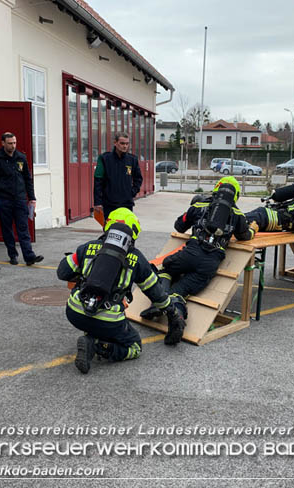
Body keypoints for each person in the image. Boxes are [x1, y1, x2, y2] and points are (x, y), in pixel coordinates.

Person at [57, 208, 183, 374]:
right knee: (135, 347)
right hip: (108, 319)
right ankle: (96, 345)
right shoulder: (137, 259)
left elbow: (62, 272)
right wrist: (172, 313)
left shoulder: (87, 247)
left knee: (95, 320)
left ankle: (92, 335)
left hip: (74, 312)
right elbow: (157, 294)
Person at [141, 176, 256, 345]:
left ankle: (159, 302)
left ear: (216, 189)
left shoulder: (200, 205)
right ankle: (178, 317)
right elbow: (245, 236)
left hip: (190, 253)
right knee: (179, 292)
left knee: (166, 268)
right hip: (211, 264)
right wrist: (253, 228)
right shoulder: (237, 214)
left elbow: (179, 225)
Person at [0, 132, 43, 266]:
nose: (13, 146)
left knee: (23, 228)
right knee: (7, 229)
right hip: (4, 199)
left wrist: (32, 198)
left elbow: (28, 179)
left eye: (14, 143)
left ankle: (29, 256)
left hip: (20, 199)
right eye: (10, 143)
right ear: (3, 143)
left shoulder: (21, 157)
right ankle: (12, 254)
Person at [93, 132, 143, 221]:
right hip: (109, 204)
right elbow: (98, 181)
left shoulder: (132, 159)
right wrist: (97, 202)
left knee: (126, 230)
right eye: (122, 143)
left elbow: (138, 179)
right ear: (115, 143)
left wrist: (132, 192)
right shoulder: (104, 158)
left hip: (126, 204)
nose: (125, 146)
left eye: (127, 144)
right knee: (110, 230)